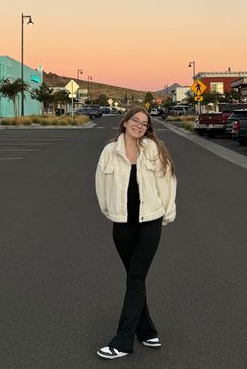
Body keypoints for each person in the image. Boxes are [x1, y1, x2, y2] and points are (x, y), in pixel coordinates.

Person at [94, 107, 177, 360]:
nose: (139, 125)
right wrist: (110, 211)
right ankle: (146, 329)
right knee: (134, 278)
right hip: (122, 225)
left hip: (149, 222)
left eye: (144, 123)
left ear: (147, 129)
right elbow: (100, 184)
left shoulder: (153, 150)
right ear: (125, 122)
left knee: (136, 278)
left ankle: (122, 341)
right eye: (135, 120)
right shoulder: (110, 151)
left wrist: (166, 212)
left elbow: (168, 182)